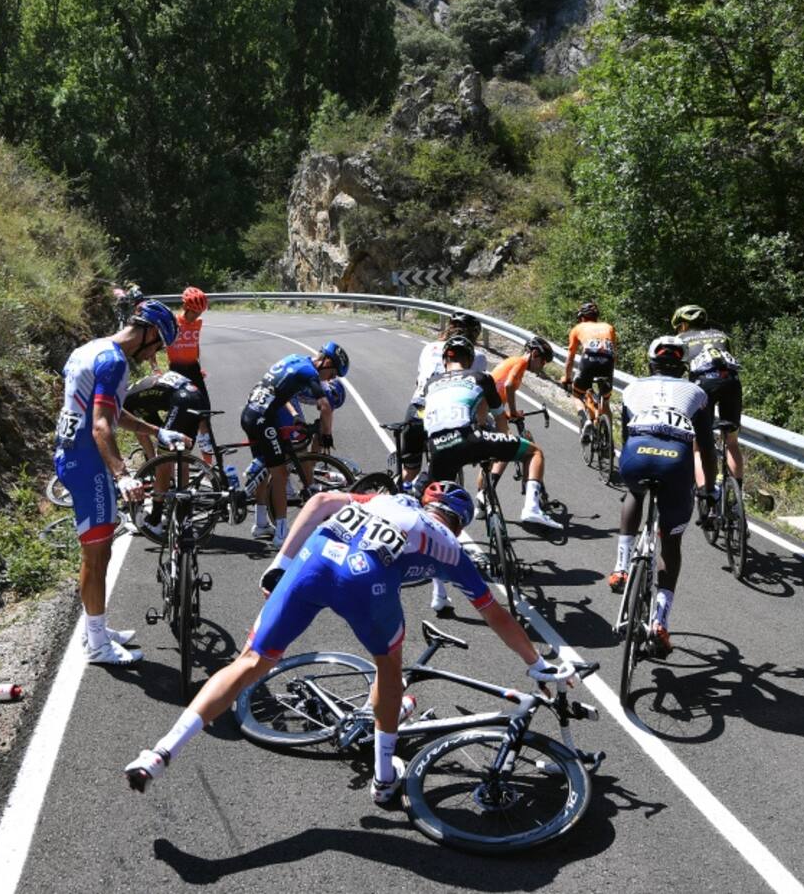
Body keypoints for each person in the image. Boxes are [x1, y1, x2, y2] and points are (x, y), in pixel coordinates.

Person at [124, 482, 563, 802]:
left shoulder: (387, 498)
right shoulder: (450, 547)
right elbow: (495, 613)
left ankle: (159, 753)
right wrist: (534, 662)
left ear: (427, 501)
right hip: (364, 579)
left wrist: (280, 563)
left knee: (250, 661)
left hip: (316, 556)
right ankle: (383, 777)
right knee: (389, 667)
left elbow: (319, 501)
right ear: (458, 521)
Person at [53, 300, 191, 665]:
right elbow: (101, 425)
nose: (155, 354)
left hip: (73, 456)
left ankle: (94, 629)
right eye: (158, 344)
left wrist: (158, 431)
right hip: (88, 463)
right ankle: (97, 645)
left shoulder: (91, 349)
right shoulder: (114, 363)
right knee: (96, 555)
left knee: (101, 550)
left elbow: (112, 412)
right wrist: (123, 474)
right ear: (148, 333)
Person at [608, 336, 715, 657]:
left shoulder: (631, 389)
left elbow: (626, 435)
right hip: (676, 460)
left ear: (649, 364)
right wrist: (708, 490)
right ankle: (659, 621)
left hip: (635, 454)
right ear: (683, 368)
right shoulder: (697, 392)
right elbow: (707, 448)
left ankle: (621, 566)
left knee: (634, 491)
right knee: (670, 541)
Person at [424, 334, 561, 563]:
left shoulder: (432, 383)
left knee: (438, 506)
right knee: (532, 451)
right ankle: (531, 508)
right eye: (543, 361)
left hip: (437, 446)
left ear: (445, 361)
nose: (542, 366)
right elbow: (503, 396)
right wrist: (503, 432)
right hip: (471, 434)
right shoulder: (482, 375)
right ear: (469, 360)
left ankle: (439, 564)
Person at [241, 342, 349, 547]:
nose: (331, 378)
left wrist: (295, 416)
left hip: (251, 412)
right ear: (326, 362)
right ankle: (282, 535)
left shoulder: (295, 359)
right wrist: (326, 435)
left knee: (263, 468)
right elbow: (325, 406)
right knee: (279, 474)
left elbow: (281, 393)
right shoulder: (310, 373)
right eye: (333, 373)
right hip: (264, 419)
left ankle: (261, 523)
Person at [400, 310, 487, 485]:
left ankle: (391, 493)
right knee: (444, 468)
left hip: (416, 410)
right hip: (444, 414)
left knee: (410, 471)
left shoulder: (428, 348)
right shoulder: (476, 356)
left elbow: (419, 381)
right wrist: (481, 424)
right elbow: (477, 392)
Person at [671, 304, 743, 514]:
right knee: (731, 441)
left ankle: (707, 495)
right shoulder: (722, 335)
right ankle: (737, 500)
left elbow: (677, 372)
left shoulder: (680, 340)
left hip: (703, 386)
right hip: (731, 382)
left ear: (683, 324)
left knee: (698, 445)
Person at [122, 369, 208, 536]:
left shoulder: (127, 404)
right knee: (182, 457)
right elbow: (157, 427)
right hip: (196, 395)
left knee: (163, 462)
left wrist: (153, 462)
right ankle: (183, 517)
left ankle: (154, 521)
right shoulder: (136, 393)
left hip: (181, 400)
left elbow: (142, 432)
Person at [159, 286, 216, 464]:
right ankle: (173, 456)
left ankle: (208, 466)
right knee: (183, 414)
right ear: (186, 308)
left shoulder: (198, 324)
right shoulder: (173, 323)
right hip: (176, 370)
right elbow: (156, 344)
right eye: (194, 312)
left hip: (193, 369)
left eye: (200, 312)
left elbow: (195, 344)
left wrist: (198, 366)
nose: (197, 316)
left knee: (204, 415)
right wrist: (155, 368)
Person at [561, 302, 617, 441]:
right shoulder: (609, 327)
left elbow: (570, 358)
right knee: (605, 401)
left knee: (577, 394)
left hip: (589, 360)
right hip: (607, 363)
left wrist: (567, 378)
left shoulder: (578, 328)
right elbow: (613, 354)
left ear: (582, 318)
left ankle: (585, 420)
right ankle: (607, 439)